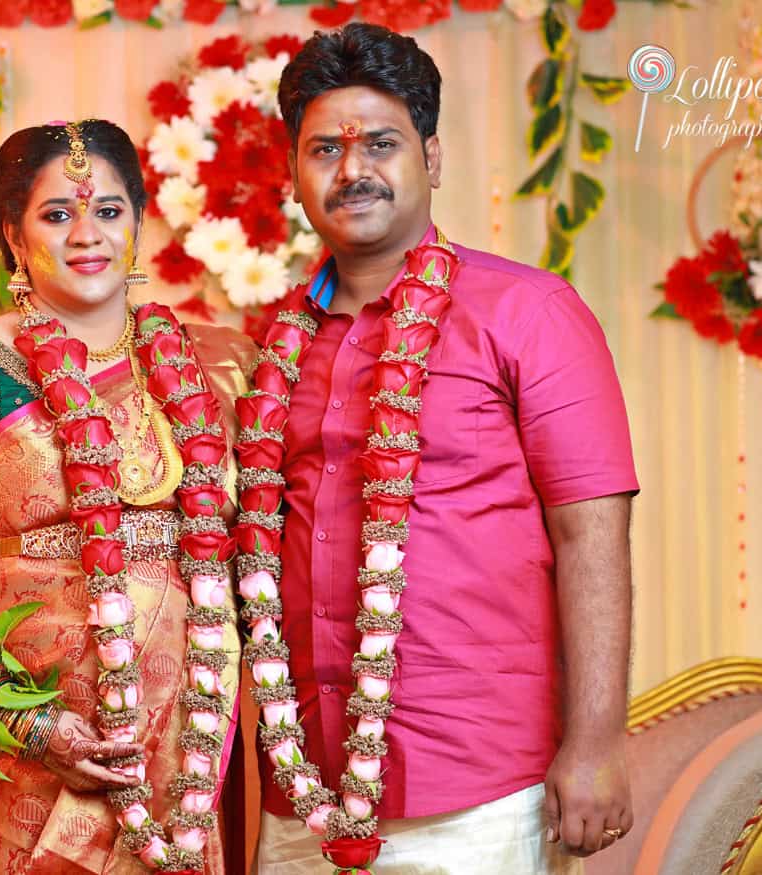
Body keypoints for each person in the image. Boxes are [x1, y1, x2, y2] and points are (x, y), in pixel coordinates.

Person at [238, 23, 639, 873]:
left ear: (432, 156)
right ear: (293, 174)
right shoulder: (274, 344)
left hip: (479, 786)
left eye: (380, 144)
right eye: (323, 150)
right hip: (304, 787)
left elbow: (590, 534)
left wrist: (597, 738)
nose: (352, 171)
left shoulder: (527, 312)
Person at [0, 120, 255, 874]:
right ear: (13, 235)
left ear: (138, 223)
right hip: (28, 735)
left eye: (109, 210)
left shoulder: (220, 360)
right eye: (56, 214)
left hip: (192, 723)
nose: (87, 234)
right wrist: (26, 719)